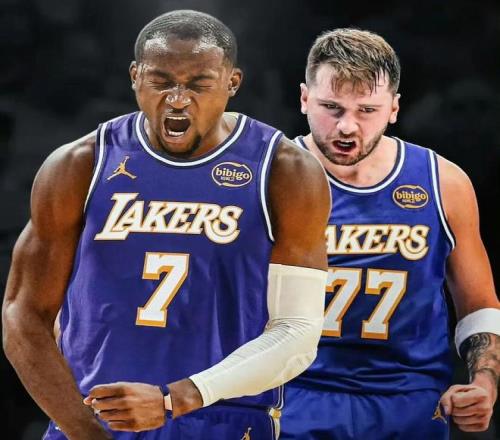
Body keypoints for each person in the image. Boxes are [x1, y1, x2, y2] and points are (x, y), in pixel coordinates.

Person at [2, 10, 331, 440]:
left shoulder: (284, 170)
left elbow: (298, 332)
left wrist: (177, 398)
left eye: (198, 84)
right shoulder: (80, 165)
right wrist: (85, 432)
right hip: (95, 420)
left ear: (232, 83)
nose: (177, 99)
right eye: (161, 81)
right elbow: (23, 314)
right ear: (135, 77)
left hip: (222, 419)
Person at [280, 28, 500, 440]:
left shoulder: (443, 182)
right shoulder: (266, 180)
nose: (347, 127)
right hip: (292, 394)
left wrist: (484, 381)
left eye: (367, 110)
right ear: (305, 98)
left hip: (410, 399)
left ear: (394, 108)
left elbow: (478, 303)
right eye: (331, 107)